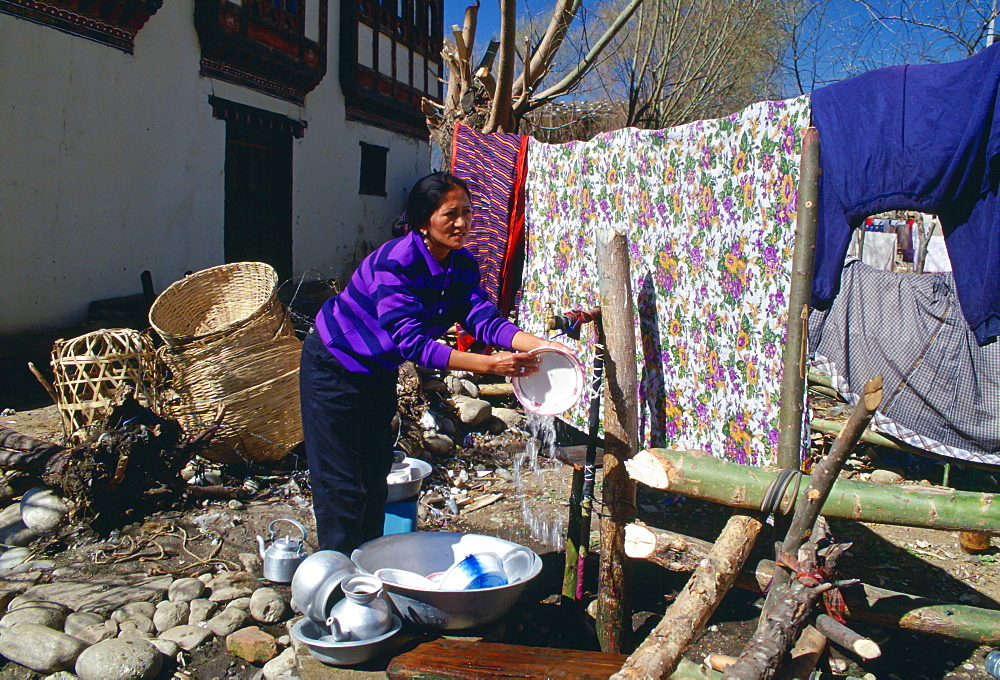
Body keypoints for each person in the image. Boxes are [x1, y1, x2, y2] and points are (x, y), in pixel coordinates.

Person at [299, 171, 571, 553]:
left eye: (467, 213)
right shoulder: (394, 264)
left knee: (375, 474)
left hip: (377, 370)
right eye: (450, 214)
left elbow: (484, 320)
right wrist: (489, 366)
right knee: (341, 482)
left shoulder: (460, 267)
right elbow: (412, 342)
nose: (461, 223)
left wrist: (545, 348)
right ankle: (340, 584)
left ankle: (368, 568)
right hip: (333, 365)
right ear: (424, 219)